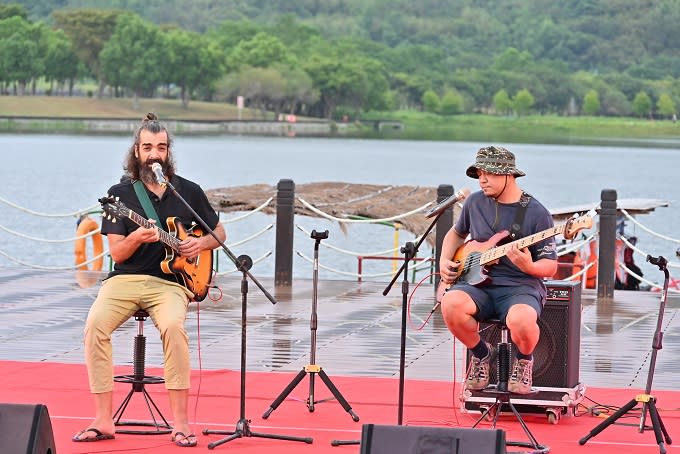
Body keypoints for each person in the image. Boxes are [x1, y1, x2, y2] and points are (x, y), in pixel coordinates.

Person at [72, 113, 226, 447]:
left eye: (160, 147)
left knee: (173, 327)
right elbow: (119, 253)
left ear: (168, 151)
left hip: (170, 284)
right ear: (137, 152)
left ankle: (181, 423)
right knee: (95, 325)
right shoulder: (120, 195)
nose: (154, 153)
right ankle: (103, 419)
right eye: (147, 147)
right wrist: (137, 238)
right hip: (124, 280)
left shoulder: (188, 191)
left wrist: (200, 243)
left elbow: (219, 233)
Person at [438, 146, 557, 395]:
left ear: (509, 175)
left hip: (519, 287)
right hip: (477, 284)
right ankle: (481, 354)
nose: (482, 180)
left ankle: (524, 362)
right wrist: (443, 260)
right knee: (450, 303)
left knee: (521, 320)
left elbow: (551, 265)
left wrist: (529, 266)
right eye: (479, 173)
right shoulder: (474, 202)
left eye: (489, 174)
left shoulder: (536, 212)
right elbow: (457, 233)